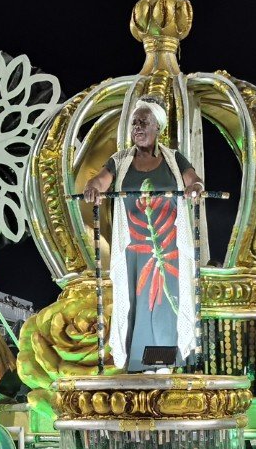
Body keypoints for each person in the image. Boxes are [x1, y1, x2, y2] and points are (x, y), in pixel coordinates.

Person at [80, 97, 207, 372]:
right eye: (134, 123)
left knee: (166, 303)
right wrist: (93, 187)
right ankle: (139, 364)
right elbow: (100, 180)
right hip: (133, 249)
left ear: (157, 127)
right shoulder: (120, 160)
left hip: (169, 247)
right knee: (134, 304)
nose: (137, 127)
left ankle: (164, 362)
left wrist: (195, 187)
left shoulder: (173, 158)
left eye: (144, 122)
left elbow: (193, 179)